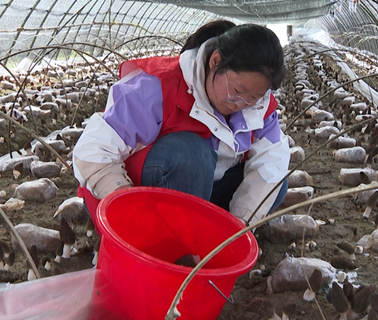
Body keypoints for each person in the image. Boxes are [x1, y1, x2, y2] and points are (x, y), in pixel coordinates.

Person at [72, 20, 289, 225]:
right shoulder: (156, 86)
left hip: (198, 191)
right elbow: (92, 152)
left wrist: (239, 226)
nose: (242, 103)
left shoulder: (259, 108)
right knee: (191, 154)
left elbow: (271, 163)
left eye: (254, 97)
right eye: (237, 91)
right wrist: (128, 208)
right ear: (215, 61)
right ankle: (168, 238)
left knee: (272, 185)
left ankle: (209, 231)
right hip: (143, 196)